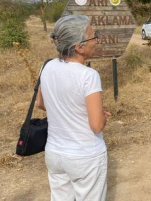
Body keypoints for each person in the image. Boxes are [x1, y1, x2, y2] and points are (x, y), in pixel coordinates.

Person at [36, 15, 111, 201]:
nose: (97, 41)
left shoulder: (46, 66)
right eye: (93, 37)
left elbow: (41, 103)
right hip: (85, 155)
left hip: (55, 154)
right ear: (79, 47)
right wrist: (102, 115)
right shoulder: (88, 75)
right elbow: (96, 125)